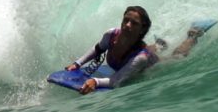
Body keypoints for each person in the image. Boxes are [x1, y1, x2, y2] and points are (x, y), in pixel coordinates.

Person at [65, 6, 206, 95]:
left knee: (177, 56)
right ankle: (159, 44)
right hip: (139, 50)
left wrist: (95, 81)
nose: (127, 25)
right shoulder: (111, 35)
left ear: (142, 30)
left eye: (134, 23)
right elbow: (97, 49)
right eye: (126, 20)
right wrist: (77, 64)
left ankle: (193, 35)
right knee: (149, 48)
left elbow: (116, 81)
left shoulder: (141, 58)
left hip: (151, 61)